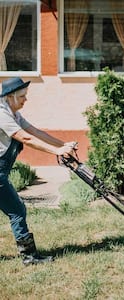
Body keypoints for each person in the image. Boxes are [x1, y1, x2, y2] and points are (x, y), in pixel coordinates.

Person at [0, 77, 76, 266]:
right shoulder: (2, 114)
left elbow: (35, 132)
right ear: (10, 97)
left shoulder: (14, 114)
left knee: (16, 210)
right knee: (17, 211)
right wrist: (57, 151)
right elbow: (26, 138)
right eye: (22, 96)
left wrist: (63, 144)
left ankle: (29, 256)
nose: (26, 100)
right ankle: (29, 257)